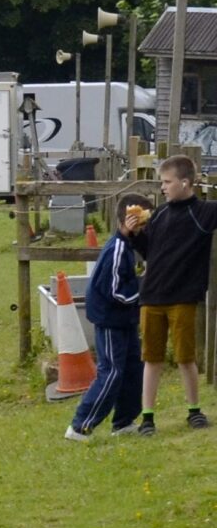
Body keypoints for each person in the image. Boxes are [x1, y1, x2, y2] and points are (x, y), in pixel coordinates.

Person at [134, 155, 217, 434]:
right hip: (151, 297)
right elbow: (150, 252)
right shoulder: (158, 214)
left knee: (185, 358)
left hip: (182, 298)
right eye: (162, 182)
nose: (163, 188)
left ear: (185, 182)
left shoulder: (203, 212)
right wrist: (135, 235)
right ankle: (147, 417)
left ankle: (194, 411)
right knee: (152, 359)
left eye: (167, 182)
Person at [67, 202, 147, 441]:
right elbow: (115, 291)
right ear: (127, 221)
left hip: (125, 320)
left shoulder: (128, 245)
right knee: (111, 371)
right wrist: (143, 289)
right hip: (111, 319)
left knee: (134, 368)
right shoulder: (117, 249)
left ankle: (123, 421)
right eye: (140, 222)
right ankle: (81, 425)